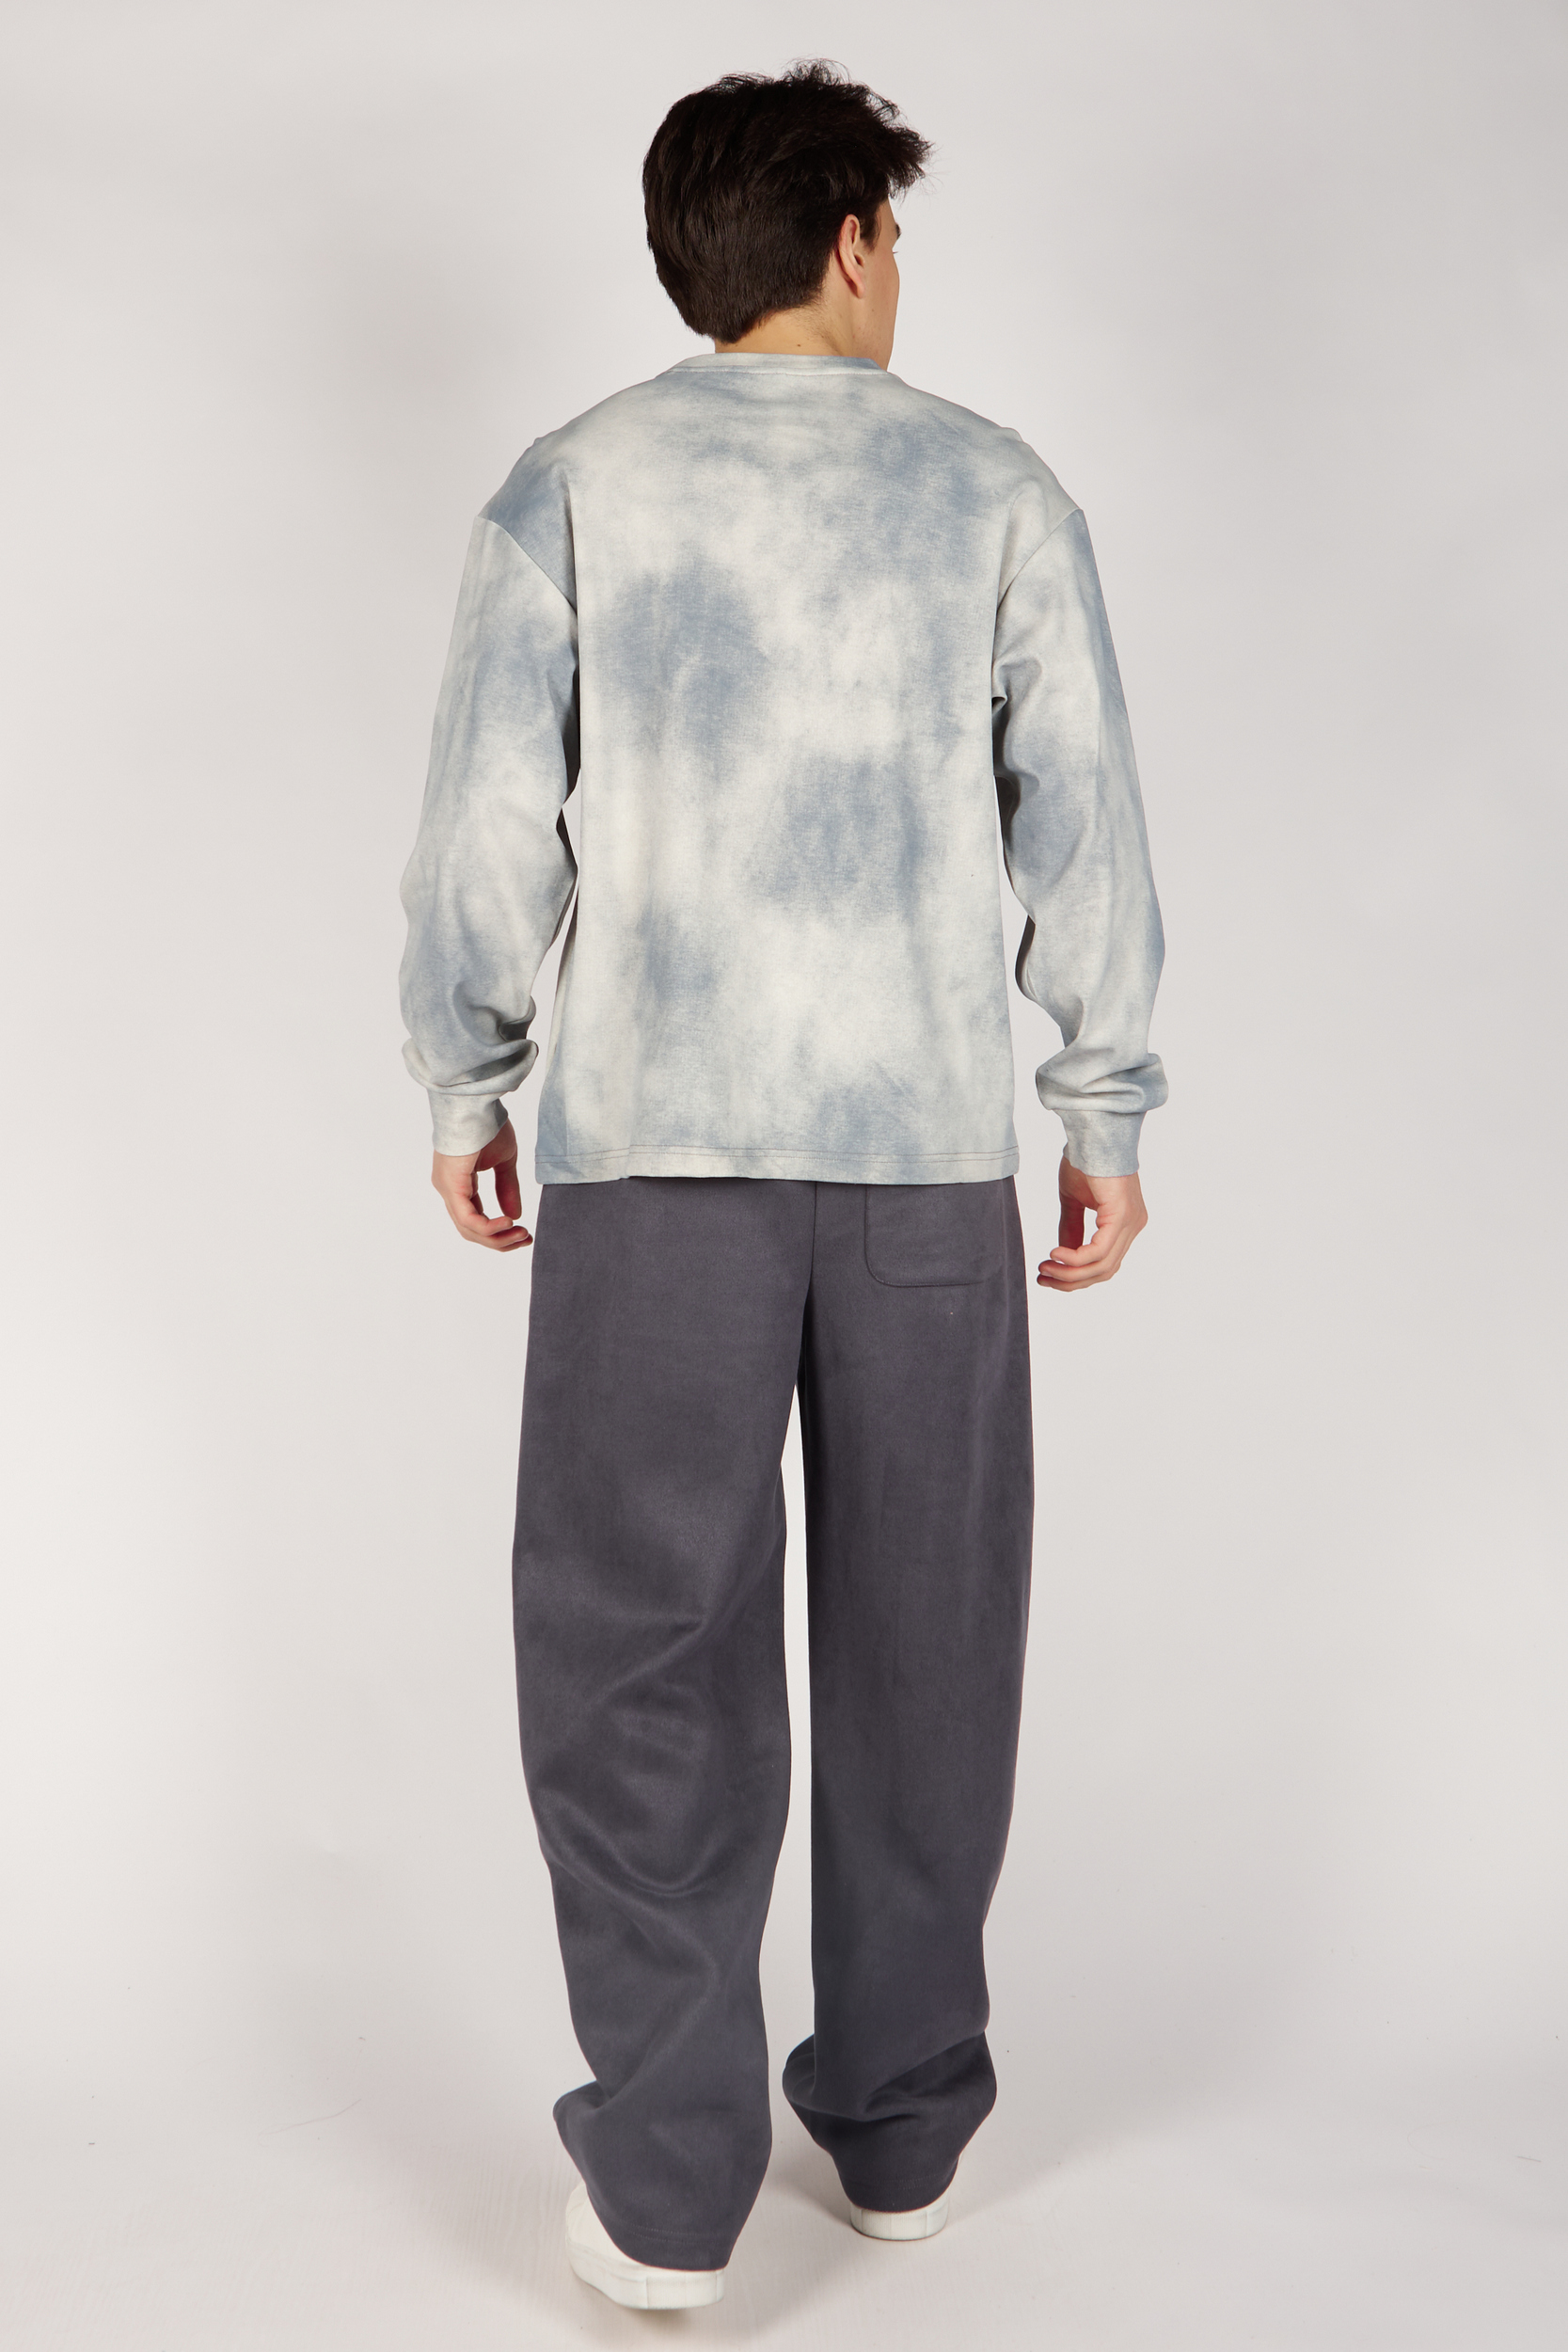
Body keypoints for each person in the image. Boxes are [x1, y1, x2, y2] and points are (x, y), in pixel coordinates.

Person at [398, 60, 1166, 2312]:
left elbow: (484, 834)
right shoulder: (997, 493)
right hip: (926, 1165)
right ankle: (903, 2122)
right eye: (893, 235)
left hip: (659, 1164)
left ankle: (664, 2179)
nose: (897, 269)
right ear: (849, 241)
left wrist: (465, 1074)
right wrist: (1102, 1112)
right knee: (931, 1639)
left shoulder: (572, 487)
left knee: (638, 1650)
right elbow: (1086, 828)